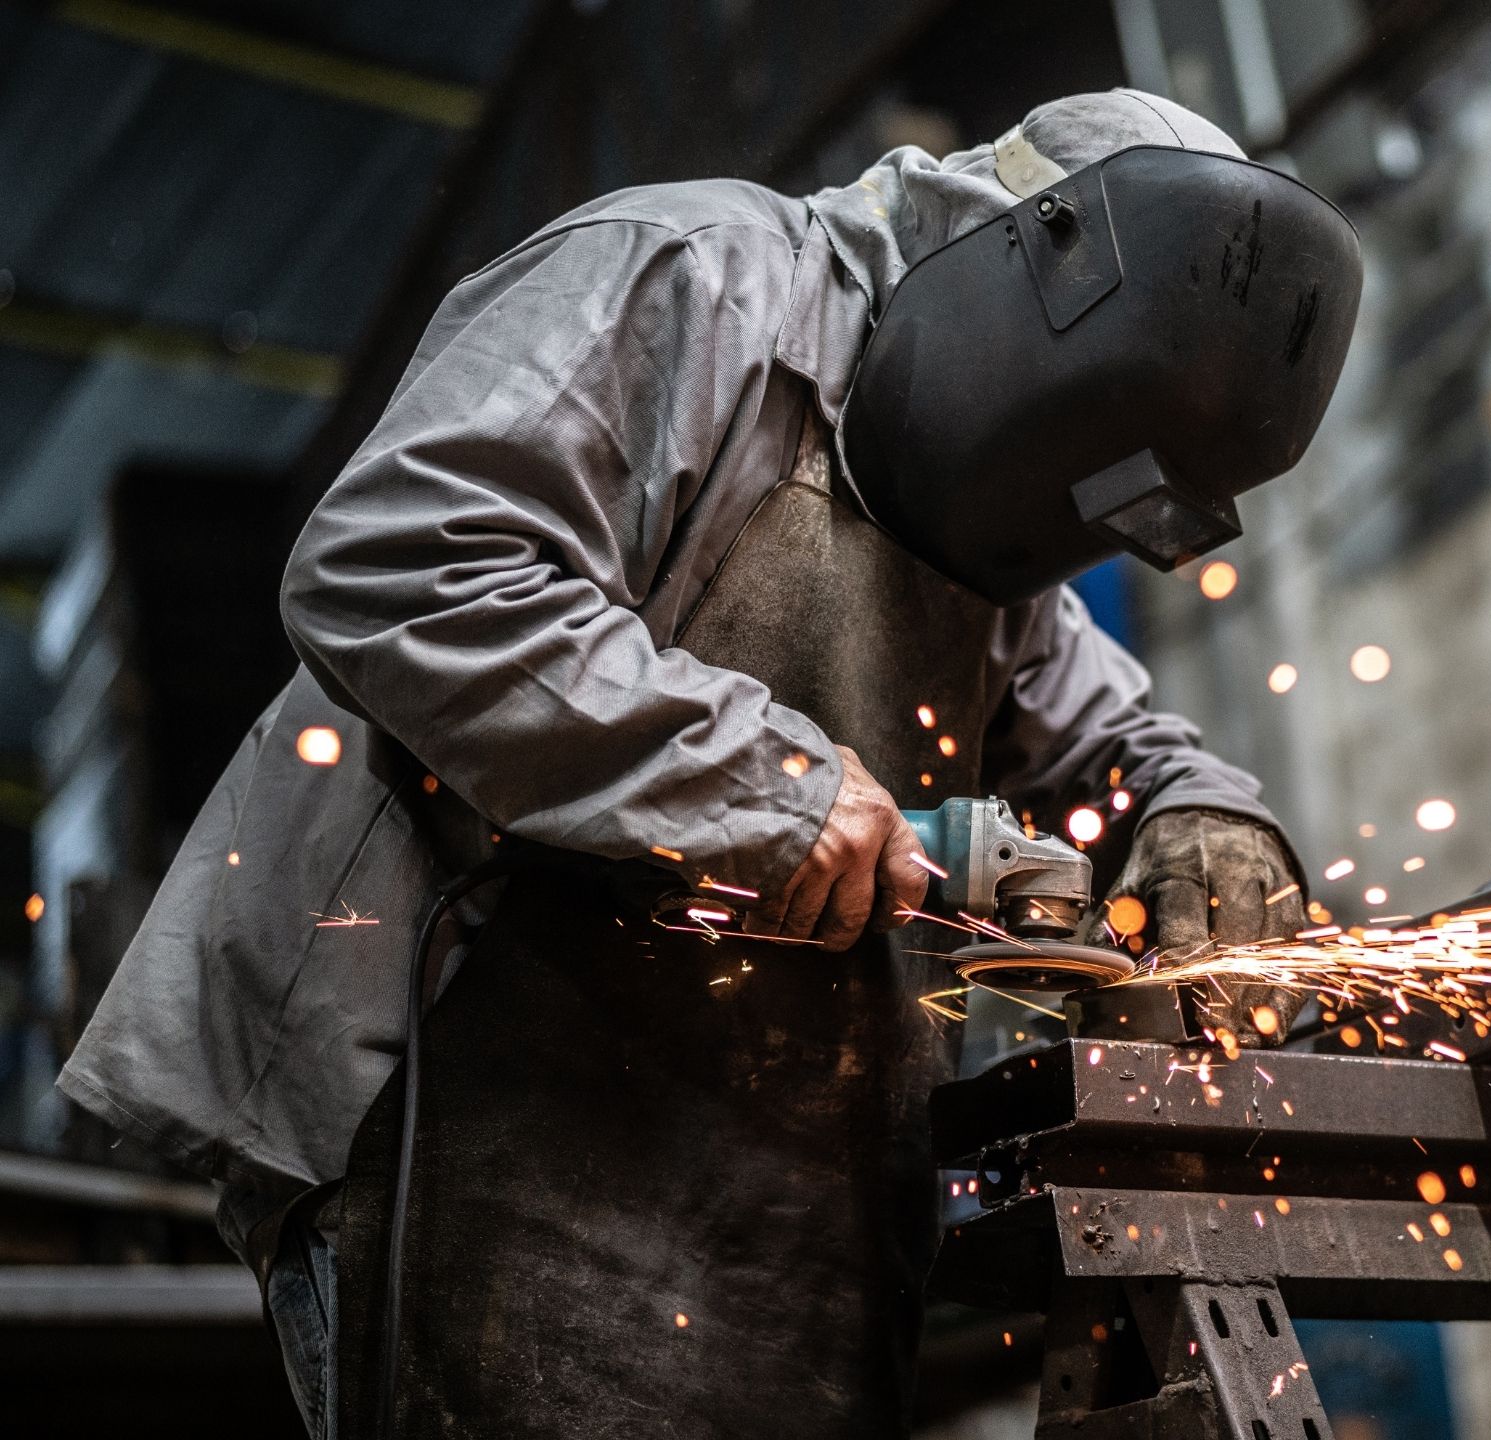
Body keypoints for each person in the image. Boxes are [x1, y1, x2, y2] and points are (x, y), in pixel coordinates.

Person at [58, 89, 1359, 1437]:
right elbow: (402, 558)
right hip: (484, 1126)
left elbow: (1124, 741)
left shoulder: (996, 532)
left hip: (795, 1208)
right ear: (1032, 269)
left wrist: (1210, 822)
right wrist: (762, 790)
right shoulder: (691, 280)